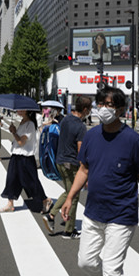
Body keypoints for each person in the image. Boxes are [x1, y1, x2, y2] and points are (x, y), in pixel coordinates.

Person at [61, 87, 139, 276]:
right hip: (94, 212)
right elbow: (84, 169)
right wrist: (69, 197)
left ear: (121, 110)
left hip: (122, 215)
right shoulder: (91, 135)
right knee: (85, 262)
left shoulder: (132, 140)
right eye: (101, 103)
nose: (103, 109)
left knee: (112, 269)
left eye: (110, 105)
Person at [43, 96, 91, 239]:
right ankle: (68, 230)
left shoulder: (66, 120)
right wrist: (85, 170)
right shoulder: (81, 126)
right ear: (85, 109)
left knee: (69, 192)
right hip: (72, 164)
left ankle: (52, 215)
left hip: (60, 160)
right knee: (73, 194)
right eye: (89, 110)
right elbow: (80, 150)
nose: (89, 112)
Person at [0, 109, 53, 214]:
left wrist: (14, 132)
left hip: (26, 158)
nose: (19, 111)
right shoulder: (22, 122)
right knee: (11, 179)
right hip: (16, 155)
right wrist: (14, 131)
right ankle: (10, 204)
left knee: (31, 182)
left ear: (28, 111)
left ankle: (45, 200)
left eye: (22, 109)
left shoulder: (30, 124)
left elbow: (21, 142)